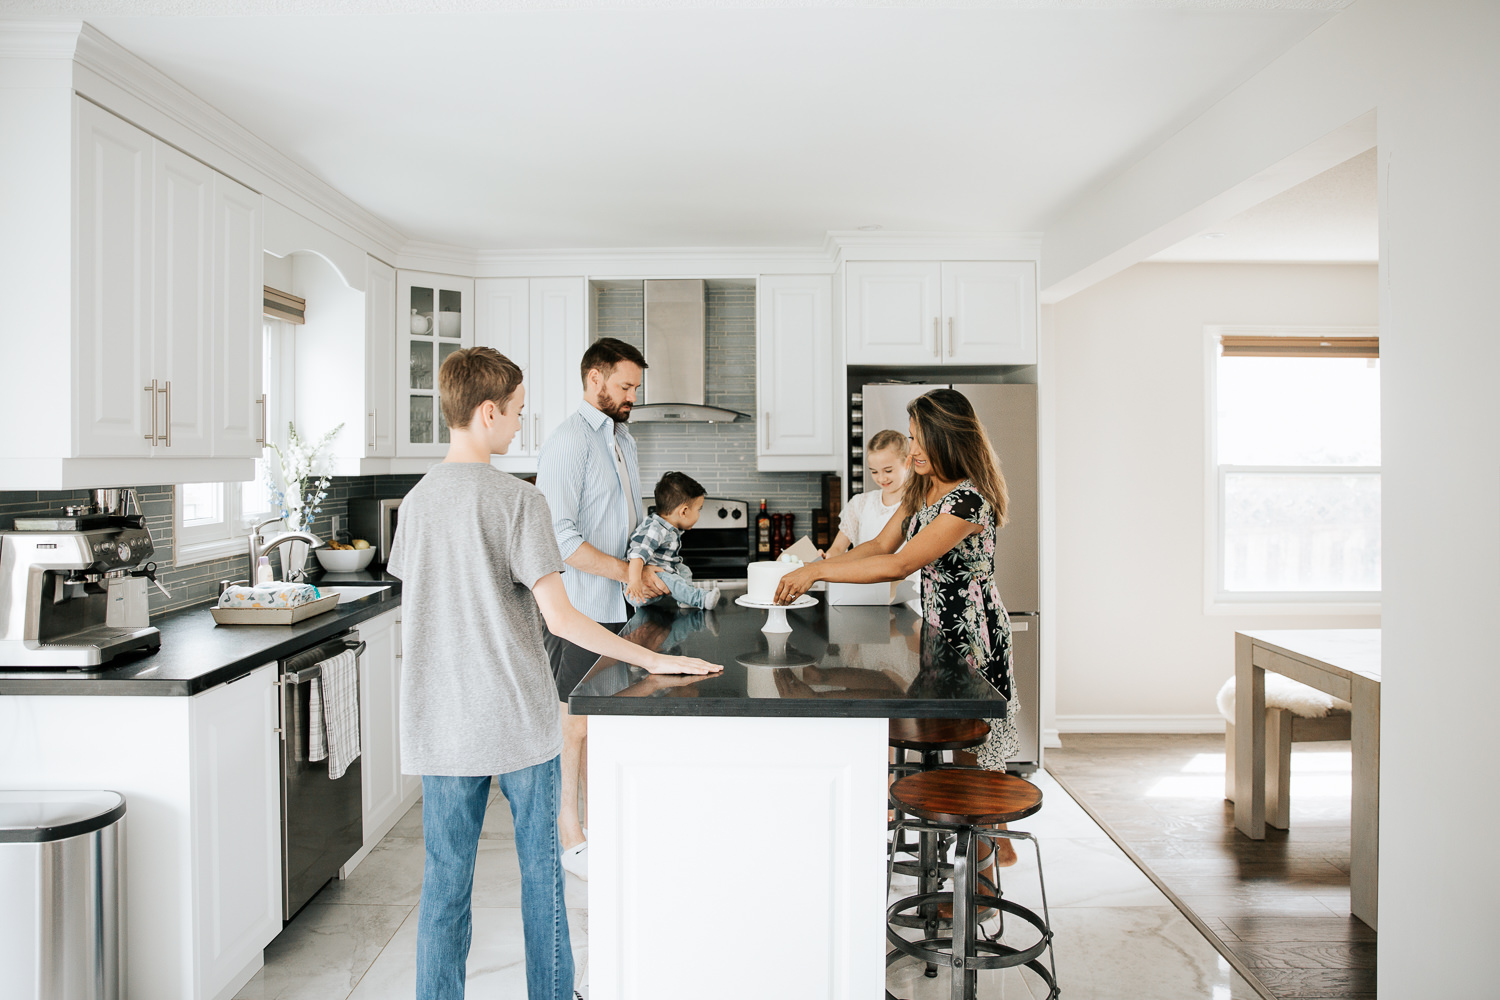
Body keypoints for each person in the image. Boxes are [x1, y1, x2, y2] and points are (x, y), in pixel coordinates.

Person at [388, 346, 719, 1000]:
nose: (519, 423)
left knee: (444, 887)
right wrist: (654, 657)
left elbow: (429, 607)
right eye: (514, 411)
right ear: (487, 413)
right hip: (517, 721)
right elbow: (563, 619)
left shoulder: (417, 503)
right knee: (542, 883)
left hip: (441, 725)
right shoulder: (518, 501)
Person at [774, 387, 1021, 869]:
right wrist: (821, 562)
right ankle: (990, 844)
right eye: (909, 438)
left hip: (973, 638)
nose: (910, 451)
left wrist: (819, 573)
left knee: (970, 755)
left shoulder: (968, 502)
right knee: (952, 747)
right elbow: (880, 545)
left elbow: (900, 563)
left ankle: (985, 871)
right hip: (935, 633)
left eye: (919, 440)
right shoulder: (922, 488)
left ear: (948, 439)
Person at [536, 337, 666, 881]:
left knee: (603, 722)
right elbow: (559, 538)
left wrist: (644, 561)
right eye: (625, 386)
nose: (633, 395)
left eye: (636, 387)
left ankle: (600, 822)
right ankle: (569, 830)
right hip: (580, 607)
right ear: (595, 379)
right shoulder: (568, 442)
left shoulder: (623, 440)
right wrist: (627, 572)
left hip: (619, 606)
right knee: (574, 724)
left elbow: (628, 520)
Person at [625, 471, 722, 610]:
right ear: (684, 512)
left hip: (661, 573)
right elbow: (636, 556)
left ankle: (685, 600)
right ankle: (699, 599)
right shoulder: (655, 529)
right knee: (672, 578)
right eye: (699, 509)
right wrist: (634, 582)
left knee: (684, 570)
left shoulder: (667, 528)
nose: (699, 514)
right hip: (640, 590)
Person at [823, 428, 911, 557]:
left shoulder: (918, 504)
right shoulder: (860, 504)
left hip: (905, 577)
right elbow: (837, 549)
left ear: (907, 462)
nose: (881, 478)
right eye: (874, 471)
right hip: (862, 576)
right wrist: (825, 558)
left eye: (888, 471)